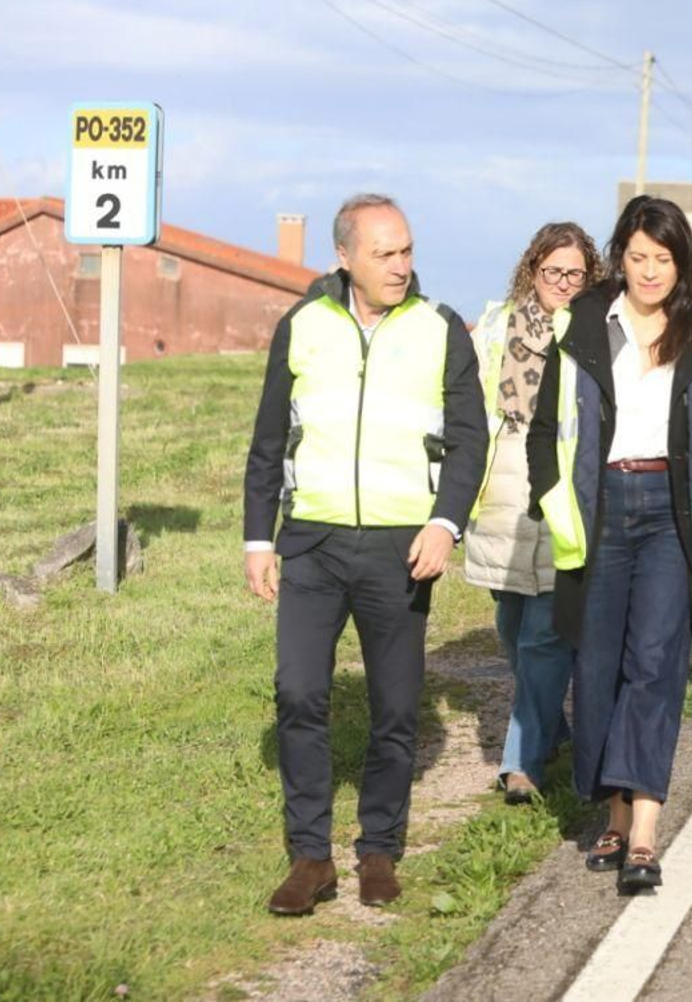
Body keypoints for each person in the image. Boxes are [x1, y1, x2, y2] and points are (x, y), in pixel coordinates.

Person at [244, 194, 487, 915]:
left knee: (393, 705)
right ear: (344, 255)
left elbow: (471, 438)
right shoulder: (304, 325)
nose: (401, 265)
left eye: (407, 250)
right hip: (312, 542)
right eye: (384, 253)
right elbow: (266, 439)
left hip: (400, 545)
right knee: (299, 694)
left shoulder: (441, 328)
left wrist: (445, 522)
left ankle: (379, 847)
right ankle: (310, 856)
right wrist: (259, 537)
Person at [528, 197, 692, 893]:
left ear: (681, 264)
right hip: (599, 508)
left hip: (669, 513)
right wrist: (554, 502)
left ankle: (643, 830)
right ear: (619, 255)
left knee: (656, 664)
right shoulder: (583, 324)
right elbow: (543, 431)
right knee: (599, 668)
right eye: (639, 256)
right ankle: (614, 810)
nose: (650, 270)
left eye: (664, 258)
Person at [464, 223, 602, 804]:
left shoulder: (599, 329)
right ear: (532, 270)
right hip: (499, 492)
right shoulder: (497, 324)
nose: (564, 285)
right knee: (511, 626)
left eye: (575, 274)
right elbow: (466, 404)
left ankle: (521, 763)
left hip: (562, 488)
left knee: (545, 634)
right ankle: (552, 727)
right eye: (554, 273)